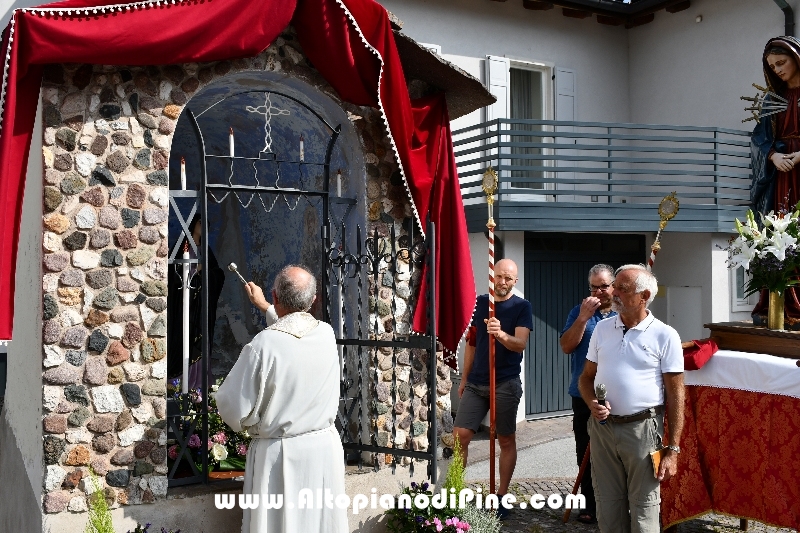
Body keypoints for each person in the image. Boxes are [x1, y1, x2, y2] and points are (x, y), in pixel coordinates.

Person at [215, 265, 347, 533]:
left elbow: (232, 407)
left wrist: (250, 423)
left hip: (279, 456)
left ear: (275, 296)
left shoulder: (263, 345)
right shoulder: (326, 334)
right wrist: (265, 306)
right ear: (313, 301)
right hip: (323, 451)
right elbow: (294, 332)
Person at [578, 264, 684, 533]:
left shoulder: (666, 335)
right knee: (607, 507)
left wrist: (672, 450)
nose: (612, 293)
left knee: (645, 509)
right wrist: (591, 402)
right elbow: (586, 378)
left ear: (644, 296)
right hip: (603, 431)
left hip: (646, 431)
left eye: (621, 289)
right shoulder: (602, 329)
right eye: (614, 287)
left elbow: (676, 394)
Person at [453, 258, 532, 520]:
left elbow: (520, 344)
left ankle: (501, 496)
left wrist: (500, 334)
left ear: (514, 281)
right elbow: (472, 343)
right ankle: (456, 491)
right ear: (492, 276)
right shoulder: (480, 303)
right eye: (499, 276)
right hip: (477, 381)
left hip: (505, 381)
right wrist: (464, 379)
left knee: (505, 439)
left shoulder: (522, 307)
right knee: (459, 435)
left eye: (508, 278)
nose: (502, 282)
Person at [559, 264, 617, 525]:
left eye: (604, 286)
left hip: (617, 394)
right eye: (594, 286)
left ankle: (617, 504)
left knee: (617, 451)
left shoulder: (623, 313)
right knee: (586, 450)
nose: (599, 291)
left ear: (613, 286)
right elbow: (567, 346)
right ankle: (590, 504)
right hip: (583, 392)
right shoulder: (579, 313)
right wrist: (583, 317)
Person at [750, 36, 800, 328]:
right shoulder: (773, 98)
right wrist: (772, 157)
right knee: (780, 231)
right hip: (782, 175)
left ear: (796, 57)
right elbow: (758, 139)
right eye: (772, 66)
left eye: (781, 62)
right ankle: (780, 302)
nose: (778, 70)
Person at [167, 215, 225, 389]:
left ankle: (199, 382)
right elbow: (174, 274)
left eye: (206, 224)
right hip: (185, 305)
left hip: (201, 306)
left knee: (201, 339)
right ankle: (180, 380)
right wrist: (193, 270)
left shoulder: (205, 250)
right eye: (201, 222)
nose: (203, 226)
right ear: (193, 224)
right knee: (184, 338)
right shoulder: (183, 246)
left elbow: (218, 274)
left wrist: (203, 271)